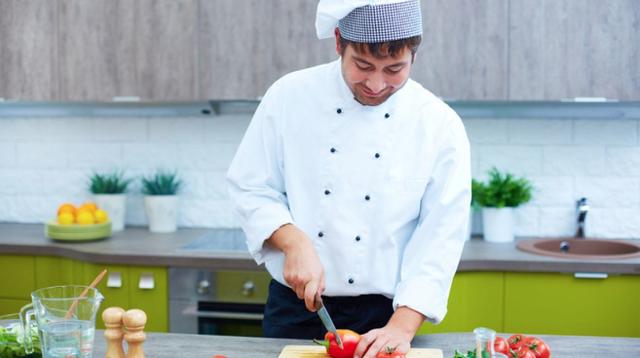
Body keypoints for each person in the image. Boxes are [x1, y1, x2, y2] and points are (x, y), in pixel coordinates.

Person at [226, 0, 471, 357]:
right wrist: (293, 241)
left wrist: (402, 326)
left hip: (390, 316)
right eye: (363, 65)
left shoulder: (438, 124)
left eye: (394, 69)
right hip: (297, 308)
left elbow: (441, 234)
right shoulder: (289, 97)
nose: (375, 83)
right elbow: (250, 185)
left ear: (414, 55)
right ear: (339, 42)